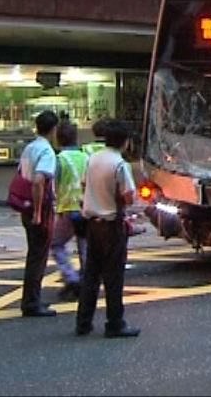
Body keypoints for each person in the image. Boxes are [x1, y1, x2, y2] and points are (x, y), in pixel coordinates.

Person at [76, 120, 140, 338]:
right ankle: (115, 323)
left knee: (91, 274)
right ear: (125, 142)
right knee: (113, 277)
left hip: (92, 223)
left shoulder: (93, 158)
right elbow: (129, 196)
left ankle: (83, 322)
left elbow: (84, 185)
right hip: (112, 225)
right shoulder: (120, 164)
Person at [18, 110, 59, 317]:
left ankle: (30, 299)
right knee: (38, 256)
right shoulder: (47, 152)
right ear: (53, 129)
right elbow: (38, 180)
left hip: (25, 206)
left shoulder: (29, 148)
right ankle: (32, 303)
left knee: (33, 253)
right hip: (39, 208)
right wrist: (38, 213)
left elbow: (22, 176)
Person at [52, 120, 89, 302]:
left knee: (57, 244)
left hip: (67, 208)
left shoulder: (59, 160)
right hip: (85, 208)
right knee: (84, 247)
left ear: (58, 140)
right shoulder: (86, 157)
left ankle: (71, 278)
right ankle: (86, 281)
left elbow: (54, 186)